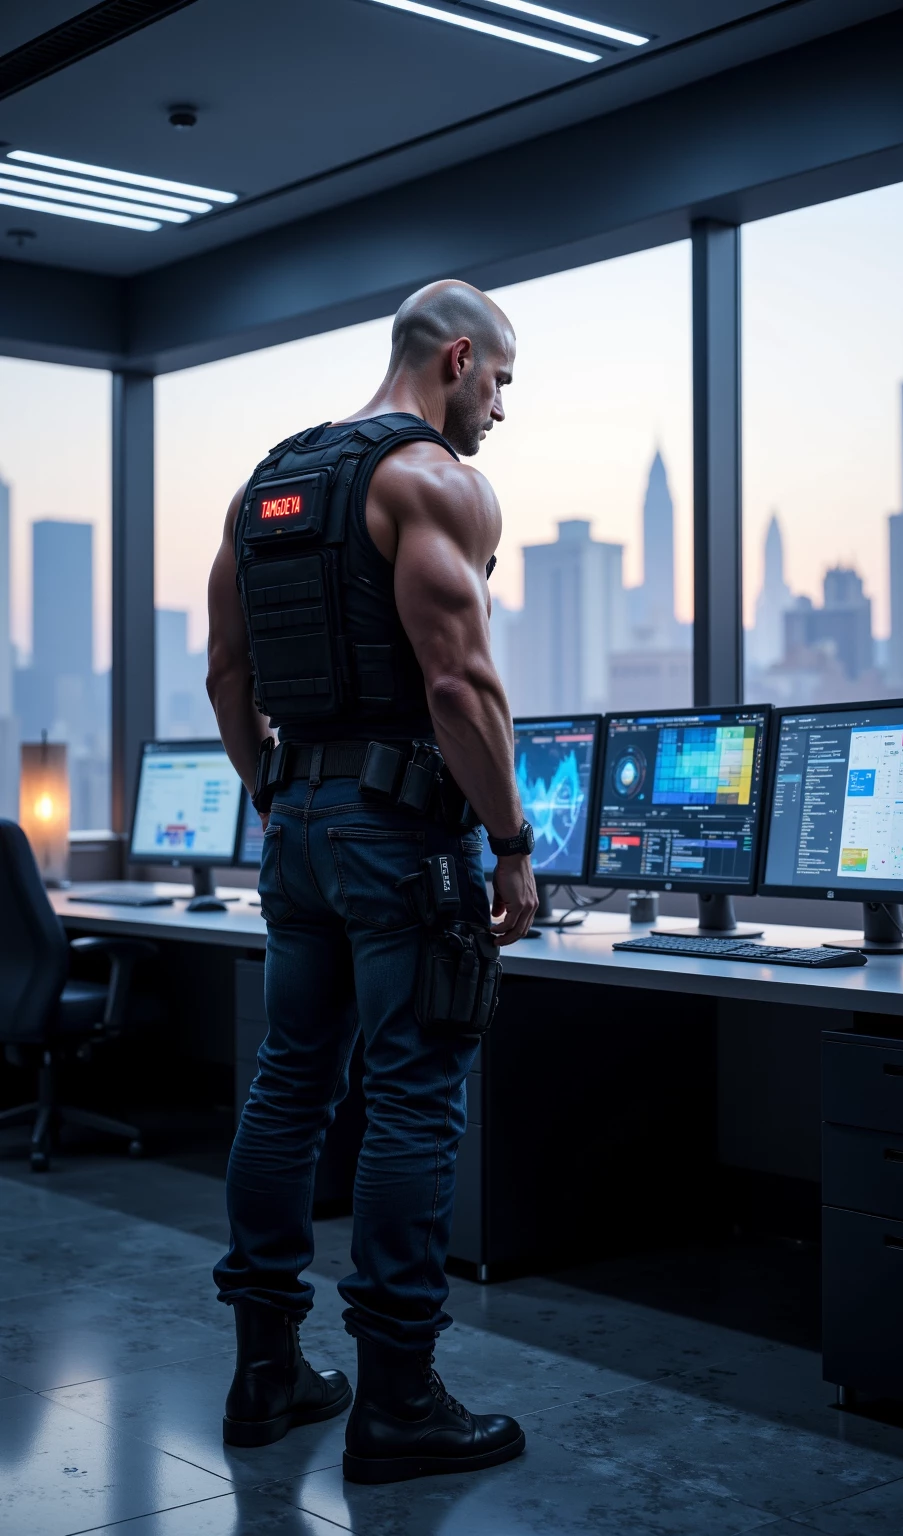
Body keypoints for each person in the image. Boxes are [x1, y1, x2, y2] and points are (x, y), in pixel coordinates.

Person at [205, 279, 538, 1484]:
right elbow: (459, 688)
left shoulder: (266, 489)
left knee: (289, 1086)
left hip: (293, 819)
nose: (499, 410)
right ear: (458, 357)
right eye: (498, 382)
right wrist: (509, 841)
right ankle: (398, 1403)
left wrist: (279, 799)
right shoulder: (433, 482)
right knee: (411, 1098)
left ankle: (265, 1375)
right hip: (402, 835)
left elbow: (227, 674)